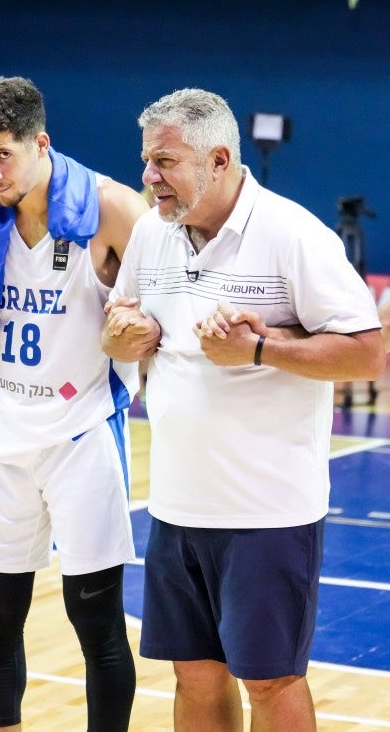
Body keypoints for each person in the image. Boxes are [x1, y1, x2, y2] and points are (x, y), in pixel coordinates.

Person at [103, 87, 385, 732]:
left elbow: (368, 355)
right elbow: (121, 319)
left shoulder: (293, 234)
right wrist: (117, 335)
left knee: (270, 679)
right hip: (176, 505)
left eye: (165, 161)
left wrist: (258, 348)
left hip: (268, 512)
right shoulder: (152, 231)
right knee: (193, 673)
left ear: (220, 159)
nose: (149, 176)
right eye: (147, 160)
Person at [0, 76, 157, 732]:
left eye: (4, 155)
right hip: (1, 429)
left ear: (41, 142)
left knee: (96, 622)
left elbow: (159, 322)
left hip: (82, 431)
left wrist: (134, 334)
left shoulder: (114, 208)